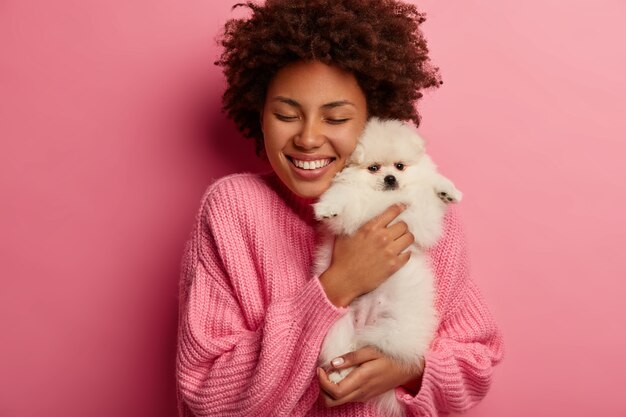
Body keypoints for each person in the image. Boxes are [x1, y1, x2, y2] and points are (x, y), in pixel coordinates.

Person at [175, 0, 504, 416]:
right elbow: (206, 391)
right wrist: (337, 284)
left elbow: (475, 362)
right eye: (286, 114)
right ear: (260, 116)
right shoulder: (233, 210)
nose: (309, 138)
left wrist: (411, 369)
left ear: (372, 120)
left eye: (335, 118)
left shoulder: (422, 208)